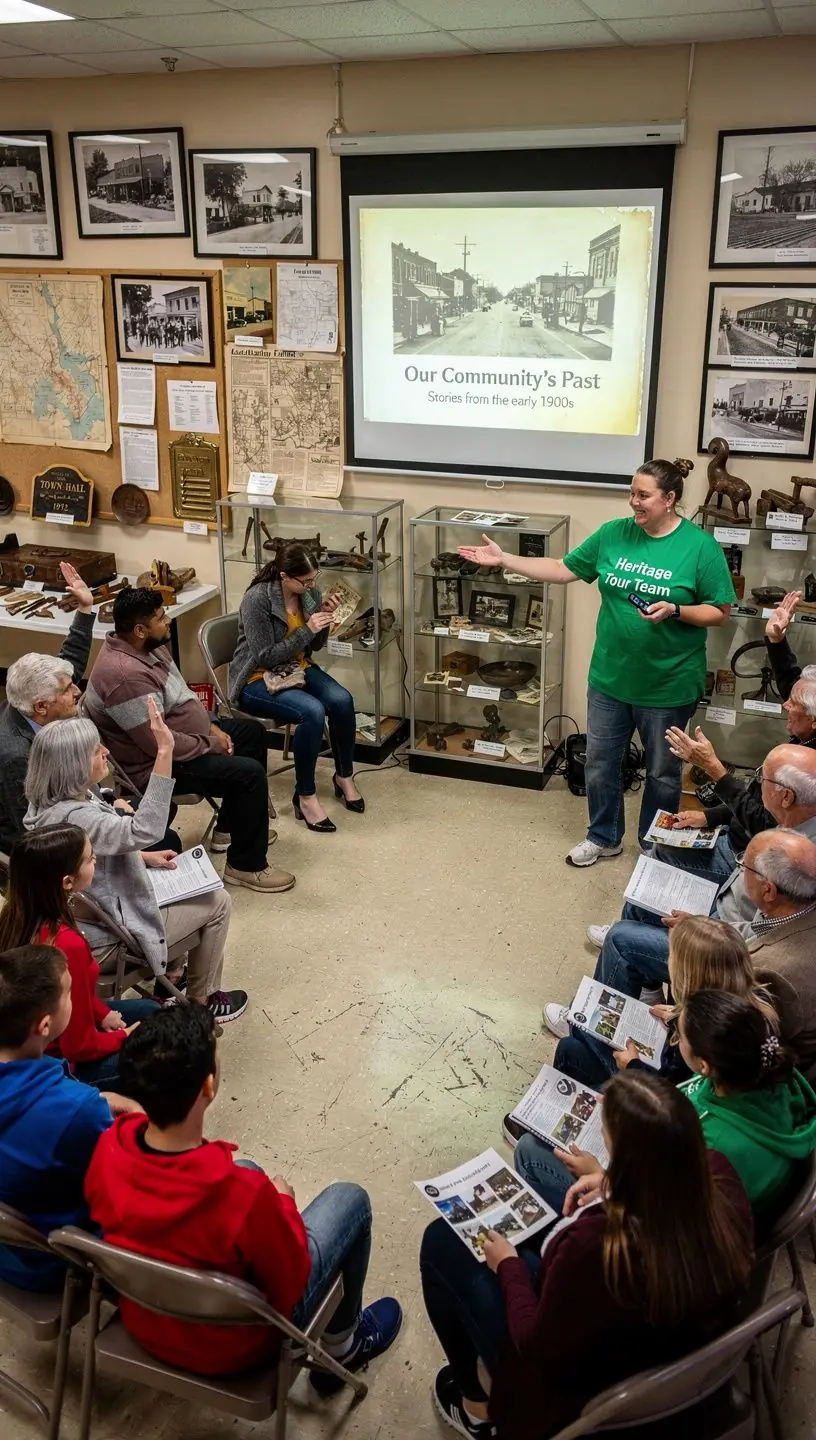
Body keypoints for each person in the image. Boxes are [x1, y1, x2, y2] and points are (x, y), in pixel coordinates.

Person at [420, 1072, 752, 1440]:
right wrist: (613, 1184)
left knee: (441, 1243)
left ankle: (477, 1411)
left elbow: (536, 1347)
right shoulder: (721, 1180)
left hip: (585, 1397)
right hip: (671, 1356)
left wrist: (509, 1265)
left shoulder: (598, 1249)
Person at [85, 1004, 402, 1390]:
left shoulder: (107, 1149)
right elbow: (288, 1289)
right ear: (208, 1086)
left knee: (248, 1167)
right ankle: (343, 1347)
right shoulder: (242, 1197)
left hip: (145, 1318)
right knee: (351, 1199)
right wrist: (283, 1205)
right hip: (235, 1347)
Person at [459, 459, 735, 867]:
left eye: (643, 495)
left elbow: (719, 611)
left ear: (670, 499)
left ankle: (654, 845)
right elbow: (560, 568)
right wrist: (505, 560)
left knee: (662, 773)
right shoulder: (613, 534)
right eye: (631, 493)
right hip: (609, 678)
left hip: (669, 685)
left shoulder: (700, 547)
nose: (633, 502)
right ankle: (603, 836)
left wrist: (676, 609)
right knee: (602, 764)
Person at [544, 746, 816, 1037]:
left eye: (764, 779)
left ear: (786, 797)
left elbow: (766, 943)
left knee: (620, 940)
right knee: (642, 903)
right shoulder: (796, 820)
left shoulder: (796, 859)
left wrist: (702, 927)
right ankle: (648, 993)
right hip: (723, 915)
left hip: (724, 948)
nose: (757, 784)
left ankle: (584, 1029)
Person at [508, 916, 779, 1206]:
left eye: (680, 1036)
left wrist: (604, 1178)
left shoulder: (702, 1136)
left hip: (633, 1197)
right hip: (659, 1144)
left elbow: (653, 1203)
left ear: (703, 1064)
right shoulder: (749, 1036)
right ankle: (549, 1127)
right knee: (570, 1050)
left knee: (529, 1150)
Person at [23, 709, 246, 1026]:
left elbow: (96, 851)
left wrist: (144, 857)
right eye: (95, 750)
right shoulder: (78, 818)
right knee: (218, 901)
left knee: (181, 879)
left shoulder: (47, 802)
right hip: (110, 935)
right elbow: (148, 829)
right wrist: (165, 751)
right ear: (72, 767)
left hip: (89, 916)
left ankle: (175, 976)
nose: (106, 751)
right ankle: (201, 1003)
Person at [85, 587, 294, 894]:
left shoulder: (150, 646)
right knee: (248, 774)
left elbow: (184, 697)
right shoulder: (123, 677)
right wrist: (212, 743)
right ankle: (246, 866)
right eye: (161, 617)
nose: (167, 621)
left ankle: (229, 830)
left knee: (251, 734)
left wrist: (211, 725)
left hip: (186, 740)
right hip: (157, 765)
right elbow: (158, 745)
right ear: (140, 629)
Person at [0, 944, 138, 1291]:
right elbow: (126, 1180)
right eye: (69, 994)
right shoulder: (76, 1109)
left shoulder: (75, 1104)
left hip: (10, 1245)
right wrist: (135, 1122)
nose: (74, 1001)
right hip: (54, 1260)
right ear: (45, 1025)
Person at [654, 592, 816, 884]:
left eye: (793, 704)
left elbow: (765, 825)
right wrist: (711, 817)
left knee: (658, 855)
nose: (784, 705)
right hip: (738, 829)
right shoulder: (808, 729)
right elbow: (794, 686)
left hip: (750, 860)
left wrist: (715, 769)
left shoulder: (807, 769)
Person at [0, 826, 159, 1087]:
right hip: (60, 1065)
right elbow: (78, 1047)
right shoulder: (65, 943)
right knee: (159, 1052)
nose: (95, 859)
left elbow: (78, 995)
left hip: (43, 1041)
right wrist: (125, 1036)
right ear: (67, 881)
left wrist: (101, 1012)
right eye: (90, 857)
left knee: (151, 1011)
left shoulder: (17, 917)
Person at [229, 543, 364, 833]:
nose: (312, 585)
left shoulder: (309, 592)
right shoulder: (257, 599)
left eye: (314, 578)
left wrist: (325, 619)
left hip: (295, 667)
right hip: (256, 678)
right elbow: (265, 655)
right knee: (312, 712)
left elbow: (313, 646)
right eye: (306, 581)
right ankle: (305, 795)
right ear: (284, 576)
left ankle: (344, 776)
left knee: (342, 700)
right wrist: (308, 629)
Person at [677, 989, 816, 1213]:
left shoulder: (714, 1146)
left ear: (704, 1066)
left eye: (679, 1036)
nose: (677, 1041)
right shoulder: (774, 1072)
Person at [0, 561, 98, 853]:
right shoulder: (15, 755)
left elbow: (71, 662)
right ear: (42, 707)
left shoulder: (31, 704)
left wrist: (85, 609)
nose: (78, 690)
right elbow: (31, 830)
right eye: (68, 690)